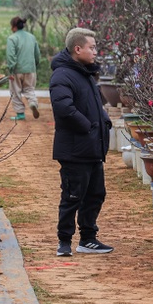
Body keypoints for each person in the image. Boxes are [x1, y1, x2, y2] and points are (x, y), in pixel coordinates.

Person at [50, 27, 113, 256]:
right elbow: (64, 108)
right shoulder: (62, 75)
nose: (95, 52)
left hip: (92, 147)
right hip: (75, 149)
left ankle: (88, 238)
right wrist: (88, 126)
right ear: (78, 49)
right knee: (72, 196)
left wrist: (104, 121)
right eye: (92, 47)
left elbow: (94, 105)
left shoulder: (85, 73)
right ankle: (64, 241)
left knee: (95, 194)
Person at [5, 16, 41, 120]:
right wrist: (35, 65)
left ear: (13, 27)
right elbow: (37, 54)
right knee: (29, 89)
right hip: (30, 69)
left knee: (15, 91)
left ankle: (20, 114)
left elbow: (11, 56)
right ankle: (33, 103)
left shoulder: (12, 38)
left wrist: (11, 70)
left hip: (17, 70)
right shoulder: (31, 37)